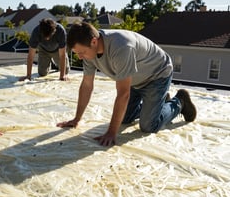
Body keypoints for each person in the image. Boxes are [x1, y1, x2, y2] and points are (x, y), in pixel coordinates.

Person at [57, 22, 197, 146]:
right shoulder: (89, 53)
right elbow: (87, 85)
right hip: (134, 79)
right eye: (77, 54)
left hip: (157, 75)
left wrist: (112, 133)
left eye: (81, 53)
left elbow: (123, 94)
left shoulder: (121, 47)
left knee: (148, 126)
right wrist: (77, 119)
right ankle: (157, 105)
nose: (80, 57)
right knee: (124, 118)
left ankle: (179, 102)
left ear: (94, 42)